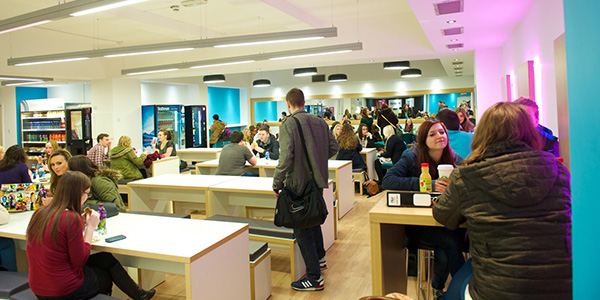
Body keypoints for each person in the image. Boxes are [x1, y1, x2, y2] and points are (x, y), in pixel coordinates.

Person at [433, 102, 571, 300]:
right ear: (531, 132)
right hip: (562, 287)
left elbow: (443, 215)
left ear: (483, 134)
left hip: (496, 290)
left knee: (454, 287)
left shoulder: (468, 174)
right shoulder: (557, 170)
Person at [26, 170, 155, 300]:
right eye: (86, 193)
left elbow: (60, 240)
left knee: (105, 258)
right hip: (62, 290)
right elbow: (79, 259)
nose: (87, 198)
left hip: (38, 287)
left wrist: (80, 225)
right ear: (78, 194)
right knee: (104, 276)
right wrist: (90, 228)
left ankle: (140, 295)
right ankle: (138, 295)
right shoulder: (70, 218)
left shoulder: (40, 213)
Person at [382, 120, 465, 299]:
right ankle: (456, 291)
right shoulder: (412, 156)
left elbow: (469, 176)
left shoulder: (453, 157)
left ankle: (438, 288)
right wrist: (426, 184)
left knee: (449, 240)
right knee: (449, 241)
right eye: (432, 134)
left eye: (442, 132)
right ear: (422, 140)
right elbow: (388, 181)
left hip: (446, 218)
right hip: (418, 224)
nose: (439, 137)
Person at [273, 88, 339, 291]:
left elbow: (285, 158)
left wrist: (277, 183)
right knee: (313, 220)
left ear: (288, 104)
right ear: (304, 102)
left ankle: (314, 278)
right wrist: (316, 160)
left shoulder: (288, 124)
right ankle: (319, 260)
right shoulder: (320, 121)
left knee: (302, 228)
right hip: (317, 182)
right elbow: (334, 148)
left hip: (298, 184)